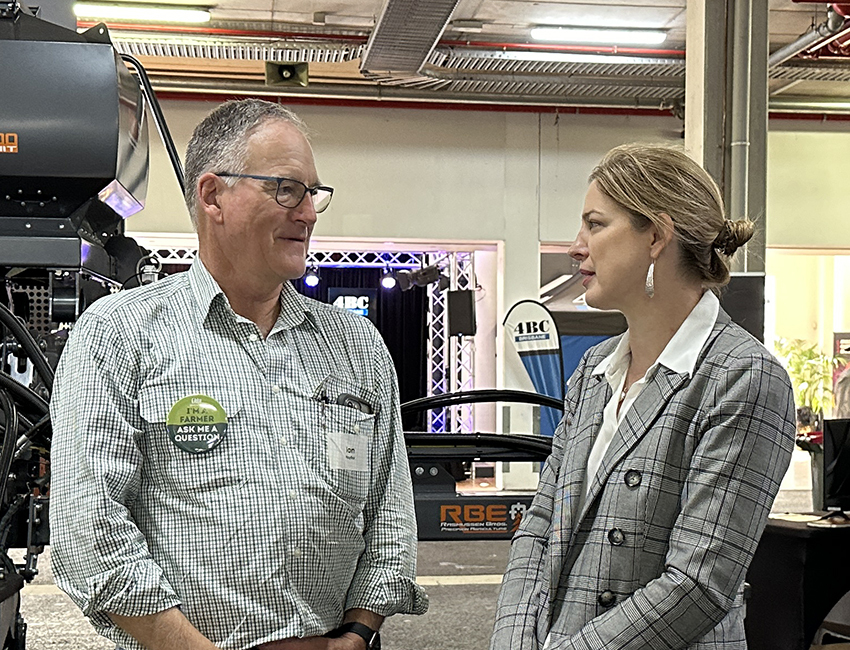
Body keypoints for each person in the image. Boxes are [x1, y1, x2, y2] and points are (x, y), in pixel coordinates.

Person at [49, 98, 427, 650]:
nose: (308, 211)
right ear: (212, 195)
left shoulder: (356, 346)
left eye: (312, 193)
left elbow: (389, 510)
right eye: (286, 189)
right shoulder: (121, 334)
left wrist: (357, 632)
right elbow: (89, 529)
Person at [491, 144, 796, 650]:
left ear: (655, 235)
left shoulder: (744, 378)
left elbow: (698, 584)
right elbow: (541, 524)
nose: (575, 246)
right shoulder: (594, 370)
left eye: (595, 224)